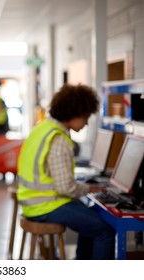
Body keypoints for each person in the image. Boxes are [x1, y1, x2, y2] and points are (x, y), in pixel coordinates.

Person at [16, 84, 115, 260]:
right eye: (86, 117)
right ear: (75, 112)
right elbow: (65, 188)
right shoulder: (58, 139)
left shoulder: (42, 128)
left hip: (31, 201)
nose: (86, 123)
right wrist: (89, 189)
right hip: (45, 205)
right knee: (104, 231)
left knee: (90, 223)